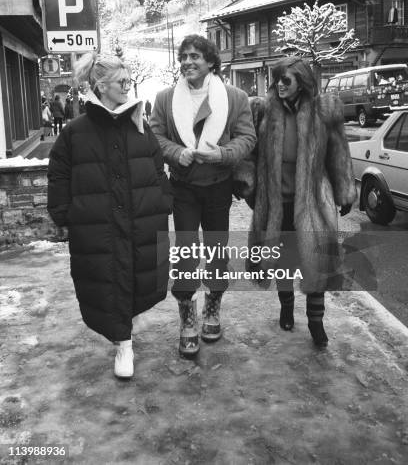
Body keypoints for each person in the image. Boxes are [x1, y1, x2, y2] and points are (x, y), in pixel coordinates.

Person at [47, 53, 172, 378]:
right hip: (97, 224)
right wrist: (64, 214)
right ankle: (123, 344)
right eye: (122, 81)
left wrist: (163, 201)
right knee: (107, 278)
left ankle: (124, 337)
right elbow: (59, 174)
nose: (128, 86)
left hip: (140, 219)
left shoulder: (140, 128)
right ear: (101, 86)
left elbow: (157, 169)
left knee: (133, 277)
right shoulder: (75, 132)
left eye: (129, 80)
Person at [150, 34, 256, 356]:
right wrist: (175, 152)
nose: (187, 62)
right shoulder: (165, 98)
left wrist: (223, 155)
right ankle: (187, 318)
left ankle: (212, 308)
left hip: (218, 186)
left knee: (216, 251)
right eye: (183, 57)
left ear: (211, 61)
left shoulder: (235, 97)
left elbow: (247, 137)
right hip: (183, 187)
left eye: (195, 56)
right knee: (185, 252)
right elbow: (155, 136)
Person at [246, 56, 356, 347]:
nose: (279, 85)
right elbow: (250, 154)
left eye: (286, 79)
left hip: (312, 202)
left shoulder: (323, 111)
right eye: (277, 78)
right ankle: (286, 306)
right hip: (276, 201)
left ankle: (316, 322)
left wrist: (344, 190)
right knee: (284, 260)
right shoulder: (263, 111)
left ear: (302, 82)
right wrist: (248, 186)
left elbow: (338, 153)